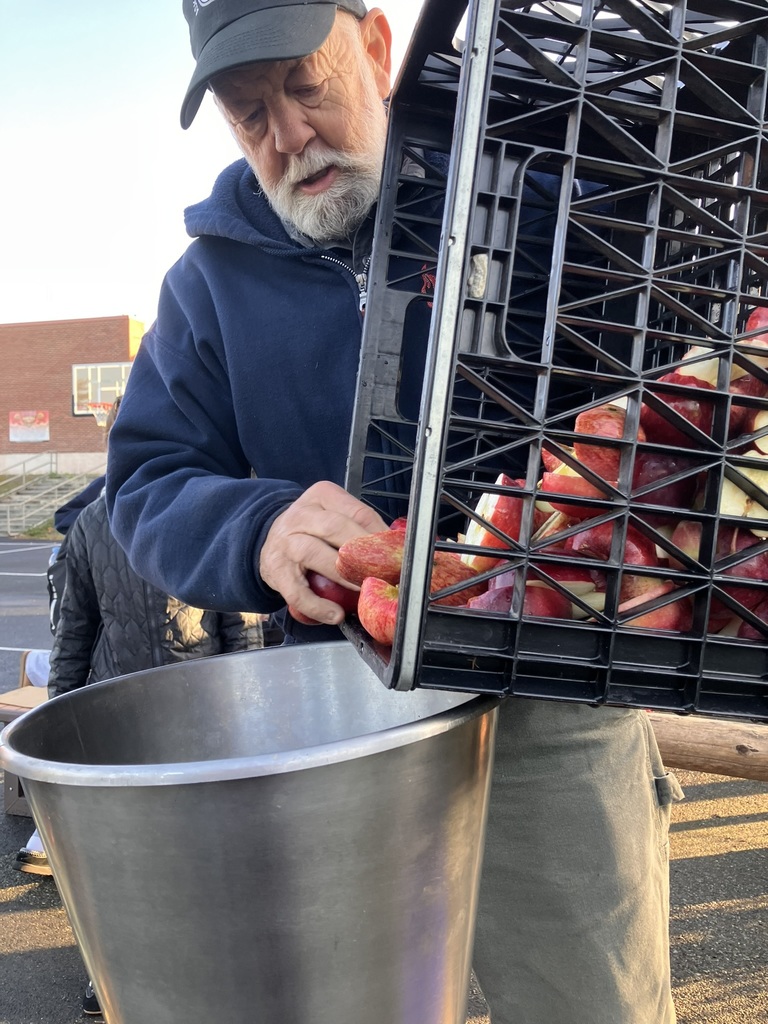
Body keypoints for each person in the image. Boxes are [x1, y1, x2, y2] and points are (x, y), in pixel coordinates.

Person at [105, 4, 683, 1022]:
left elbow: (683, 365)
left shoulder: (543, 192)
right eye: (250, 113)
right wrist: (256, 529)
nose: (287, 134)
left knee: (593, 1005)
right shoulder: (205, 286)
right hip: (337, 725)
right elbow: (146, 480)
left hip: (551, 700)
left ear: (375, 49)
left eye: (305, 83)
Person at [15, 397, 265, 1017]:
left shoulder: (208, 516)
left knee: (204, 860)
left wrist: (253, 714)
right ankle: (118, 984)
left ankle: (209, 976)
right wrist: (60, 729)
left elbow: (245, 633)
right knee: (122, 871)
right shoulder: (91, 526)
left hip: (202, 718)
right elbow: (72, 634)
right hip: (117, 721)